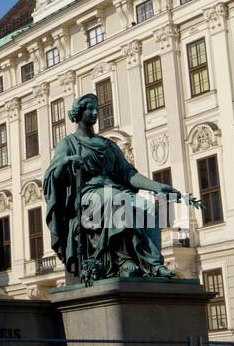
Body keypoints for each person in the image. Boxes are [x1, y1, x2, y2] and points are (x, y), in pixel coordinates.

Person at [43, 93, 198, 284]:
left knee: (148, 208)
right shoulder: (68, 144)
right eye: (89, 109)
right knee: (116, 200)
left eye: (96, 109)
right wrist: (67, 162)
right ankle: (125, 260)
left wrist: (158, 186)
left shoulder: (108, 145)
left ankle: (154, 264)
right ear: (79, 112)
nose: (94, 113)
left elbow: (128, 174)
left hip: (113, 190)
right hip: (88, 195)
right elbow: (53, 177)